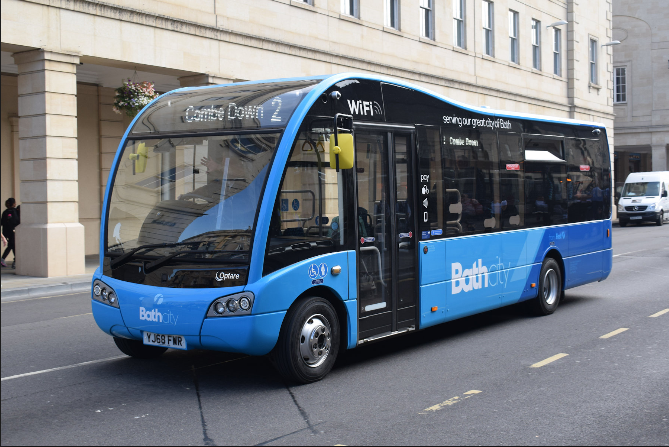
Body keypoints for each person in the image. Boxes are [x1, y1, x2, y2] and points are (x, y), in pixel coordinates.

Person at [1, 198, 20, 268]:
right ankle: (3, 259)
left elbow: (2, 223)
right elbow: (17, 221)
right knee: (12, 245)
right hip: (13, 231)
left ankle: (15, 261)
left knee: (12, 245)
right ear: (13, 204)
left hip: (6, 232)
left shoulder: (5, 212)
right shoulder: (15, 211)